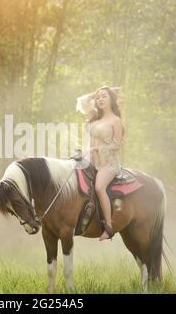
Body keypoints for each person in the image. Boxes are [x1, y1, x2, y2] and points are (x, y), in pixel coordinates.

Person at [76, 86, 124, 241]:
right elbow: (81, 102)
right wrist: (94, 93)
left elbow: (118, 145)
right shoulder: (96, 117)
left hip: (107, 164)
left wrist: (97, 148)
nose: (100, 99)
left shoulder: (115, 120)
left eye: (104, 96)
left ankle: (108, 227)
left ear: (111, 99)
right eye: (98, 98)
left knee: (99, 187)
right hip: (90, 161)